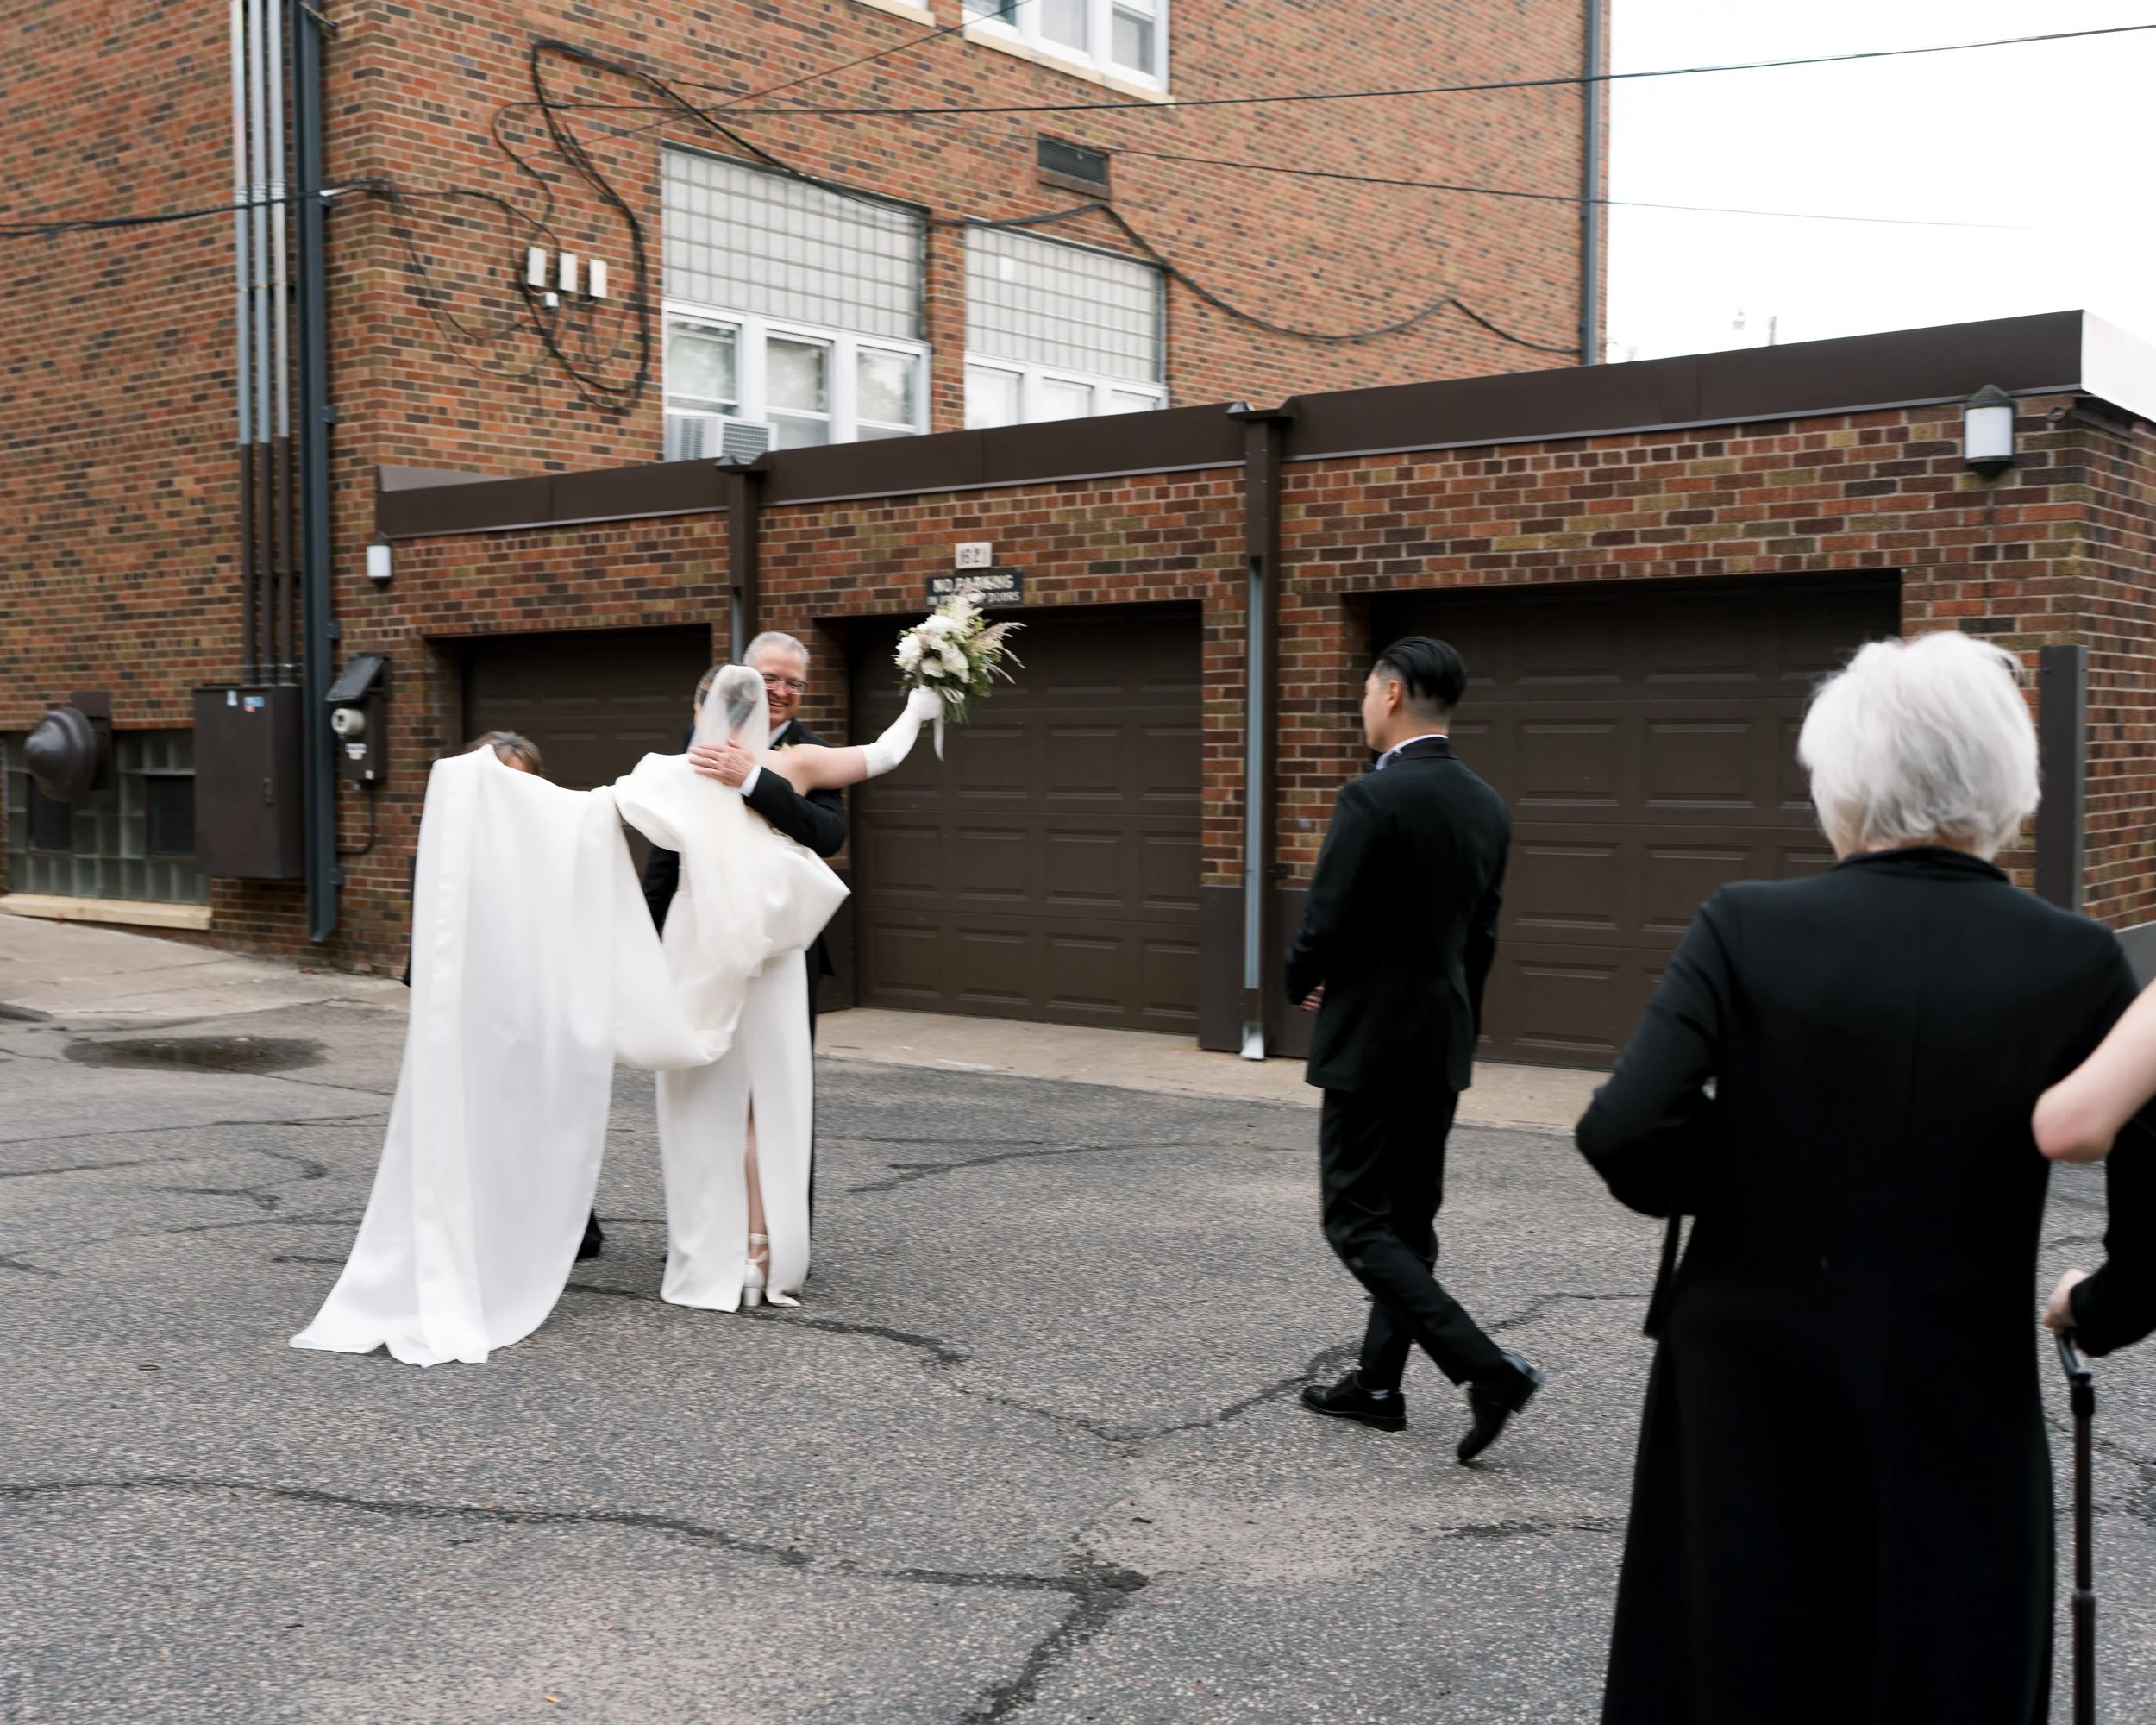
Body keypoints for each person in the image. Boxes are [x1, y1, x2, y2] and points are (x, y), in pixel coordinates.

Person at [1576, 630, 2156, 1723]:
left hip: (1743, 1367)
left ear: (1842, 779)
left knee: (1730, 1656)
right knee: (1945, 1658)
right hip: (1959, 1373)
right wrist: (2101, 1305)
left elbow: (1625, 1128)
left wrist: (1762, 1168)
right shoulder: (2078, 958)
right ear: (2005, 784)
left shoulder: (1743, 926)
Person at [293, 661, 941, 1364]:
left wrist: (926, 696)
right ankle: (706, 1262)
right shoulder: (673, 770)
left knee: (774, 1099)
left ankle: (763, 1250)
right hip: (699, 947)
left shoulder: (794, 762)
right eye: (721, 701)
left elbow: (883, 755)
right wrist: (488, 787)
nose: (729, 714)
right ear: (696, 710)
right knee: (696, 1107)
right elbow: (584, 810)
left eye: (735, 702)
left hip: (773, 954)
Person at [1285, 636, 1545, 1463]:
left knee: (1357, 1223)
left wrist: (1301, 979)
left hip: (1371, 1041)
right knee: (1409, 1222)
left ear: (1392, 694)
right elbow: (1481, 938)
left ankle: (1485, 1367)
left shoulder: (1372, 800)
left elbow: (1328, 916)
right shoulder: (1487, 804)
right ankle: (1377, 1385)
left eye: (1367, 690)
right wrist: (1456, 1017)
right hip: (1440, 1037)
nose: (1363, 705)